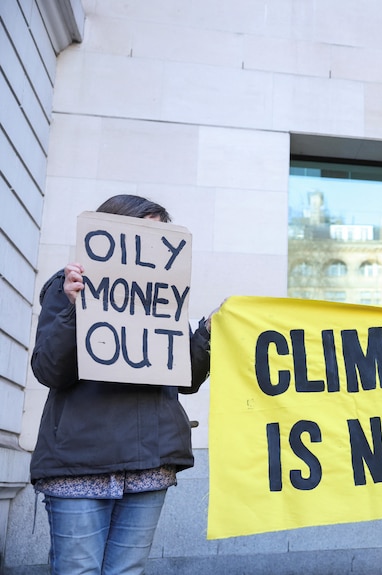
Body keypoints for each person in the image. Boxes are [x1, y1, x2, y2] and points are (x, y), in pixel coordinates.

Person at [29, 194, 212, 575]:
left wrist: (207, 335)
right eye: (142, 232)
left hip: (149, 463)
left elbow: (185, 378)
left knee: (127, 571)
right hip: (78, 463)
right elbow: (50, 369)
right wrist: (74, 307)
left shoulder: (164, 298)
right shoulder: (65, 289)